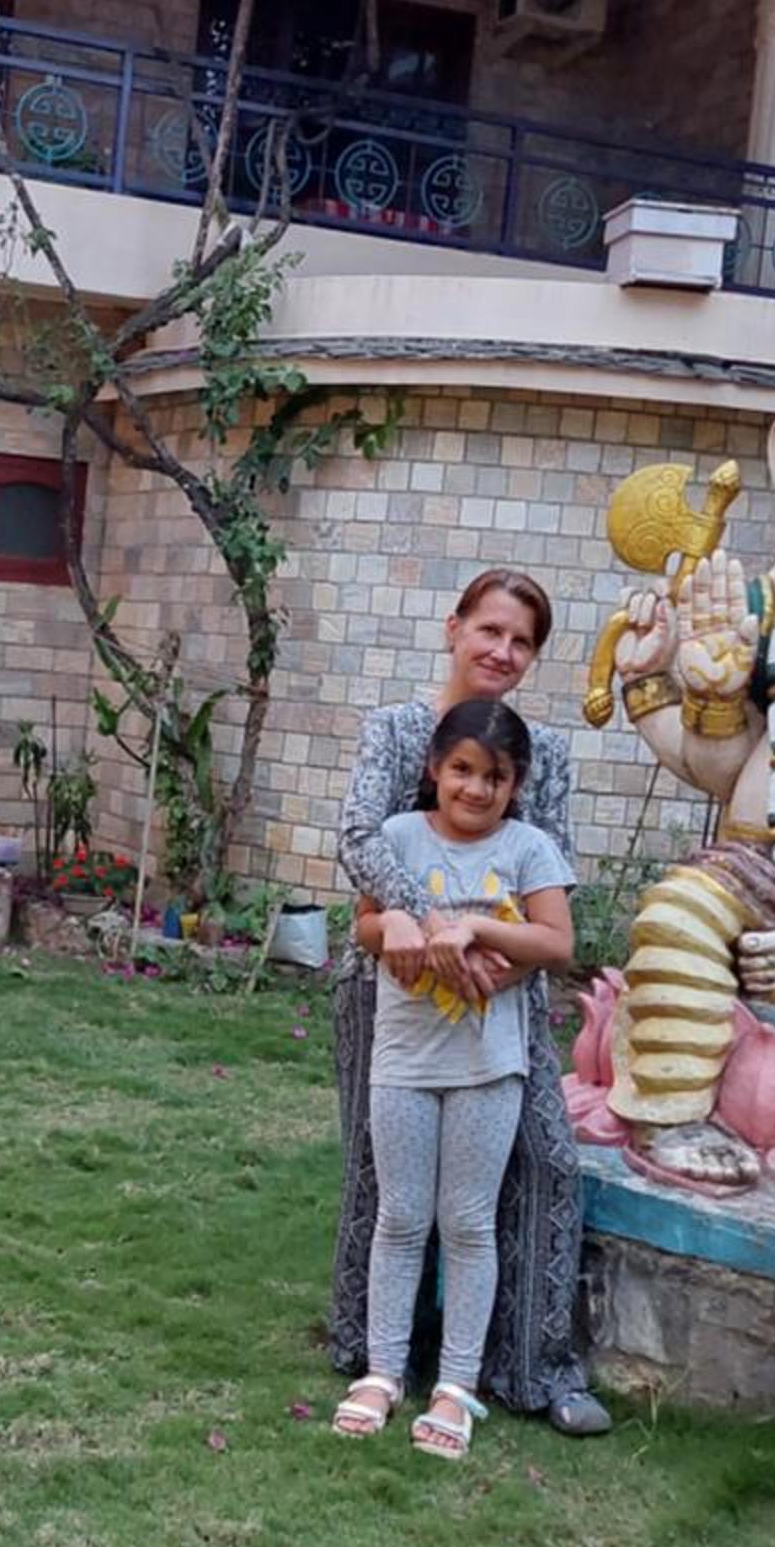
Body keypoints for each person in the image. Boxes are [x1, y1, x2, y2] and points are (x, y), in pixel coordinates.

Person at [328, 567, 612, 1435]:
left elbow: (549, 883)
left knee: (543, 1163)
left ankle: (527, 1367)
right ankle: (377, 1357)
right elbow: (357, 840)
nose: (503, 651)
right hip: (396, 987)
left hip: (501, 996)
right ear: (455, 628)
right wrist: (425, 928)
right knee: (387, 1188)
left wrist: (489, 959)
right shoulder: (399, 730)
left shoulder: (542, 752)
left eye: (523, 641)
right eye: (490, 630)